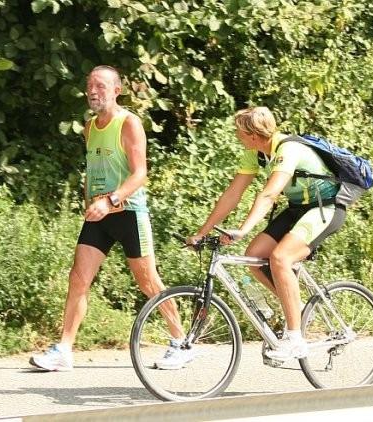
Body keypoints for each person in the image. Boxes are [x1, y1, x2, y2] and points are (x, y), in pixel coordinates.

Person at [30, 65, 186, 371]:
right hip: (99, 214)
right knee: (78, 278)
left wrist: (112, 199)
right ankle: (64, 349)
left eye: (100, 86)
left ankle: (181, 342)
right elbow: (93, 170)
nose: (92, 91)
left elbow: (141, 174)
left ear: (116, 90)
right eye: (90, 85)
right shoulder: (90, 127)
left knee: (149, 282)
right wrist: (91, 201)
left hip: (128, 212)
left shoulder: (129, 123)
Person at [188, 106, 346, 361]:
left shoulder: (288, 149)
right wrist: (201, 232)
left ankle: (295, 339)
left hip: (324, 208)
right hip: (297, 209)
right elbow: (232, 194)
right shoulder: (256, 153)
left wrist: (242, 230)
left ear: (253, 135)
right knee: (255, 255)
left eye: (240, 132)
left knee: (281, 258)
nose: (237, 136)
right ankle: (299, 309)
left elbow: (270, 195)